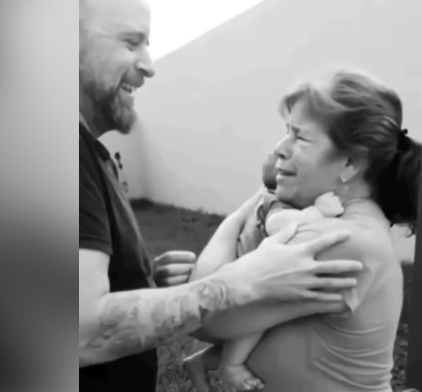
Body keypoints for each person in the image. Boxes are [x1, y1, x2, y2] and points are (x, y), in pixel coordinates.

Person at [78, 1, 365, 392]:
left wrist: (137, 280)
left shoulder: (88, 154)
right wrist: (239, 284)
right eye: (131, 43)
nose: (149, 64)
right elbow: (78, 330)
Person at [188, 67, 422, 392]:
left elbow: (200, 313)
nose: (280, 148)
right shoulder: (337, 225)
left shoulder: (338, 241)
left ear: (350, 163)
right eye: (287, 131)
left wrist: (239, 216)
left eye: (299, 136)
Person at [183, 157, 347, 391]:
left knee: (266, 331)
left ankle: (201, 362)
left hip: (243, 278)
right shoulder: (275, 201)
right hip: (243, 283)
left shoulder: (280, 198)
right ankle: (231, 365)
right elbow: (278, 225)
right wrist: (317, 211)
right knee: (261, 316)